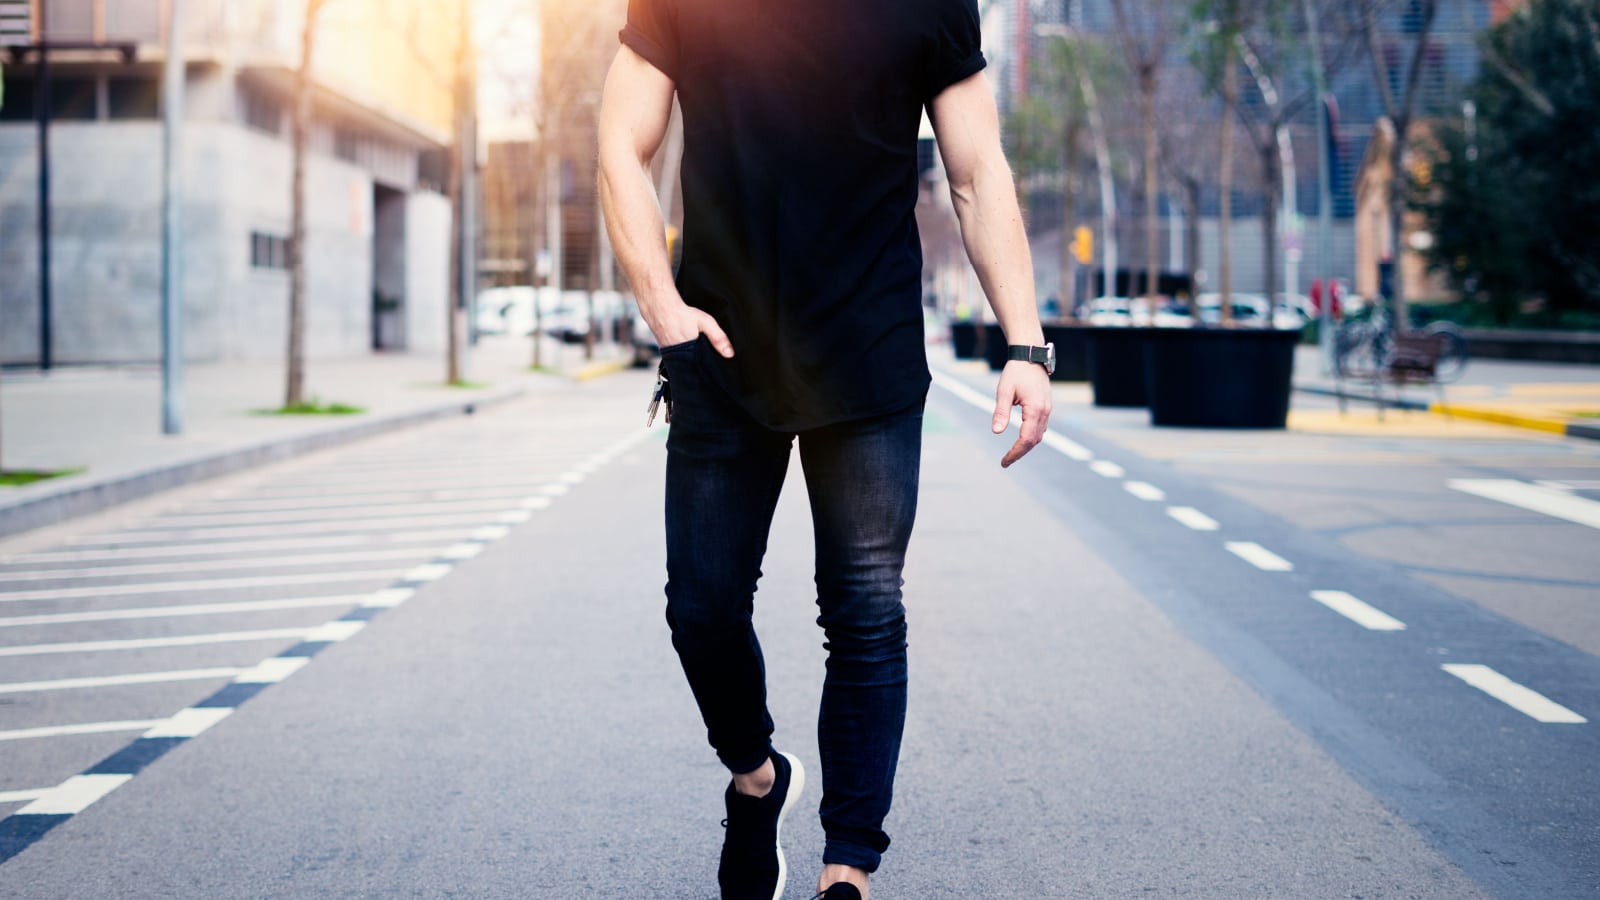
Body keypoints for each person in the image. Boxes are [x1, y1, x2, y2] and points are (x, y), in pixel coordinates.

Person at [597, 1, 1052, 896]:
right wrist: (664, 313)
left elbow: (975, 172)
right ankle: (757, 780)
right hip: (720, 348)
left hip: (870, 352)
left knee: (866, 612)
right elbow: (620, 143)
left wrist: (1027, 344)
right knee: (702, 608)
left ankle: (848, 865)